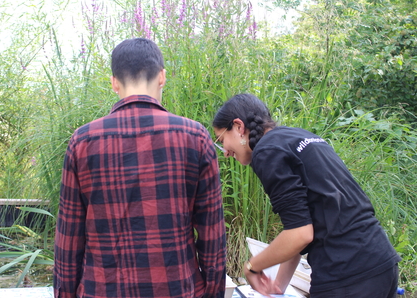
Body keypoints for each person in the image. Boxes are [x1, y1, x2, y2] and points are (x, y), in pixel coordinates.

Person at [54, 38, 226, 298]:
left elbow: (69, 237)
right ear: (162, 77)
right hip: (176, 289)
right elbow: (212, 234)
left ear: (114, 82)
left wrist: (65, 294)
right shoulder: (195, 137)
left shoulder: (83, 141)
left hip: (102, 291)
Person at [212, 93, 401, 298]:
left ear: (239, 127)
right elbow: (299, 226)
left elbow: (301, 234)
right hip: (381, 261)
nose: (225, 152)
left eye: (222, 140)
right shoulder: (298, 136)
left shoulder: (266, 152)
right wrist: (278, 287)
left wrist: (251, 266)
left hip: (346, 274)